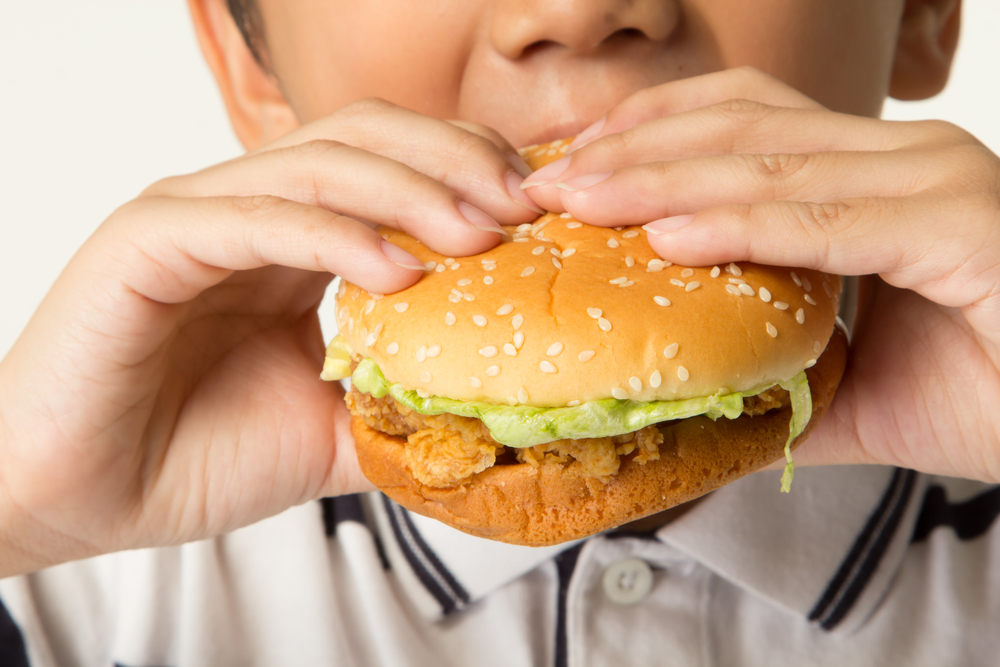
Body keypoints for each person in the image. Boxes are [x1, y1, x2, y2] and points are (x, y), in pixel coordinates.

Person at [1, 0, 998, 664]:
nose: (569, 13)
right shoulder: (69, 596)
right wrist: (21, 511)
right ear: (245, 58)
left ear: (921, 11)